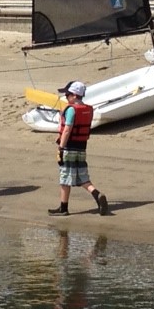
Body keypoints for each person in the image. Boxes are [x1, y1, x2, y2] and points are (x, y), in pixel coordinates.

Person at [48, 81, 110, 216]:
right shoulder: (88, 109)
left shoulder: (71, 110)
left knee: (65, 177)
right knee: (82, 176)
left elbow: (67, 130)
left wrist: (61, 147)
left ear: (75, 95)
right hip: (81, 147)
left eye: (68, 94)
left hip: (69, 147)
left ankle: (63, 208)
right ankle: (97, 194)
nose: (66, 97)